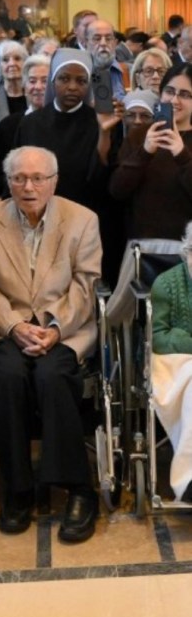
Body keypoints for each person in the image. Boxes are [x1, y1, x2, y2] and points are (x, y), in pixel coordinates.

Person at [0, 146, 102, 543]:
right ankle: (18, 488)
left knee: (52, 375)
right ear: (8, 182)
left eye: (38, 178)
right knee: (8, 376)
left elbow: (86, 284)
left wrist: (55, 329)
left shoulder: (83, 220)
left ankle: (79, 488)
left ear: (53, 181)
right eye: (19, 178)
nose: (29, 187)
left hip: (64, 326)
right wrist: (13, 325)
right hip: (2, 327)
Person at [14, 47, 123, 283]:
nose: (72, 87)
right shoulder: (31, 124)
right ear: (53, 81)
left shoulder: (99, 122)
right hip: (41, 223)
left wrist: (104, 132)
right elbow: (17, 177)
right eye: (64, 79)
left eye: (81, 81)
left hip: (88, 222)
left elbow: (103, 180)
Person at [109, 65, 192, 240]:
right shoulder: (138, 135)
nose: (174, 100)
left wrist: (182, 155)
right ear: (161, 95)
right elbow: (117, 190)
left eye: (185, 94)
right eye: (169, 91)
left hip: (186, 247)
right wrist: (145, 152)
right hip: (142, 245)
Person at [151, 221, 192, 502]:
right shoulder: (166, 284)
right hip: (174, 363)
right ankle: (188, 479)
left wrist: (181, 336)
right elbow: (158, 338)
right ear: (188, 252)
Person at [0, 53, 51, 196]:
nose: (38, 87)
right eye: (32, 81)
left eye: (45, 81)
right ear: (24, 87)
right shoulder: (7, 126)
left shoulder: (65, 124)